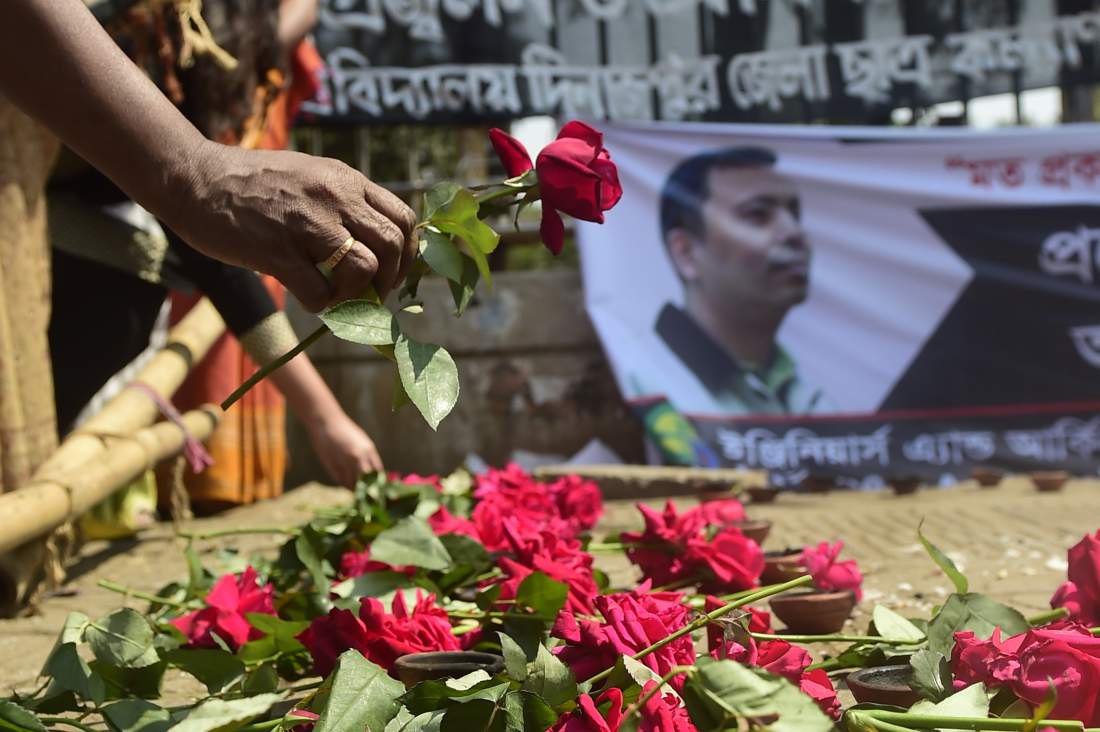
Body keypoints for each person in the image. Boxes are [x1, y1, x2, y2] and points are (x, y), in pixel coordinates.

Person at [0, 0, 413, 495]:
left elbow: (224, 270)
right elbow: (223, 268)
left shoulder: (152, 68)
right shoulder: (134, 45)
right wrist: (323, 416)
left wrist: (324, 417)